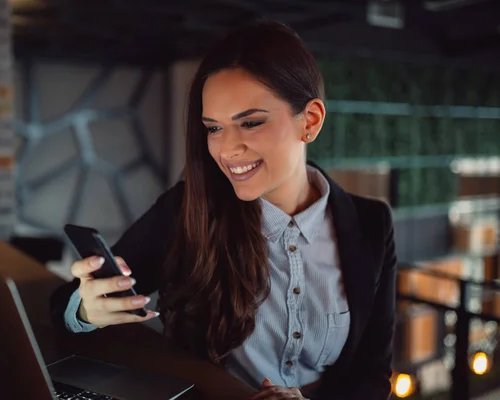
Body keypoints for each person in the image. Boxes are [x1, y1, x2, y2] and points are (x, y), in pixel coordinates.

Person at [51, 20, 397, 400]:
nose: (227, 150)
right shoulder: (187, 210)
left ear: (310, 121)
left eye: (250, 123)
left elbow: (373, 372)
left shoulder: (372, 224)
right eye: (214, 128)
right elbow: (65, 304)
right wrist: (85, 309)